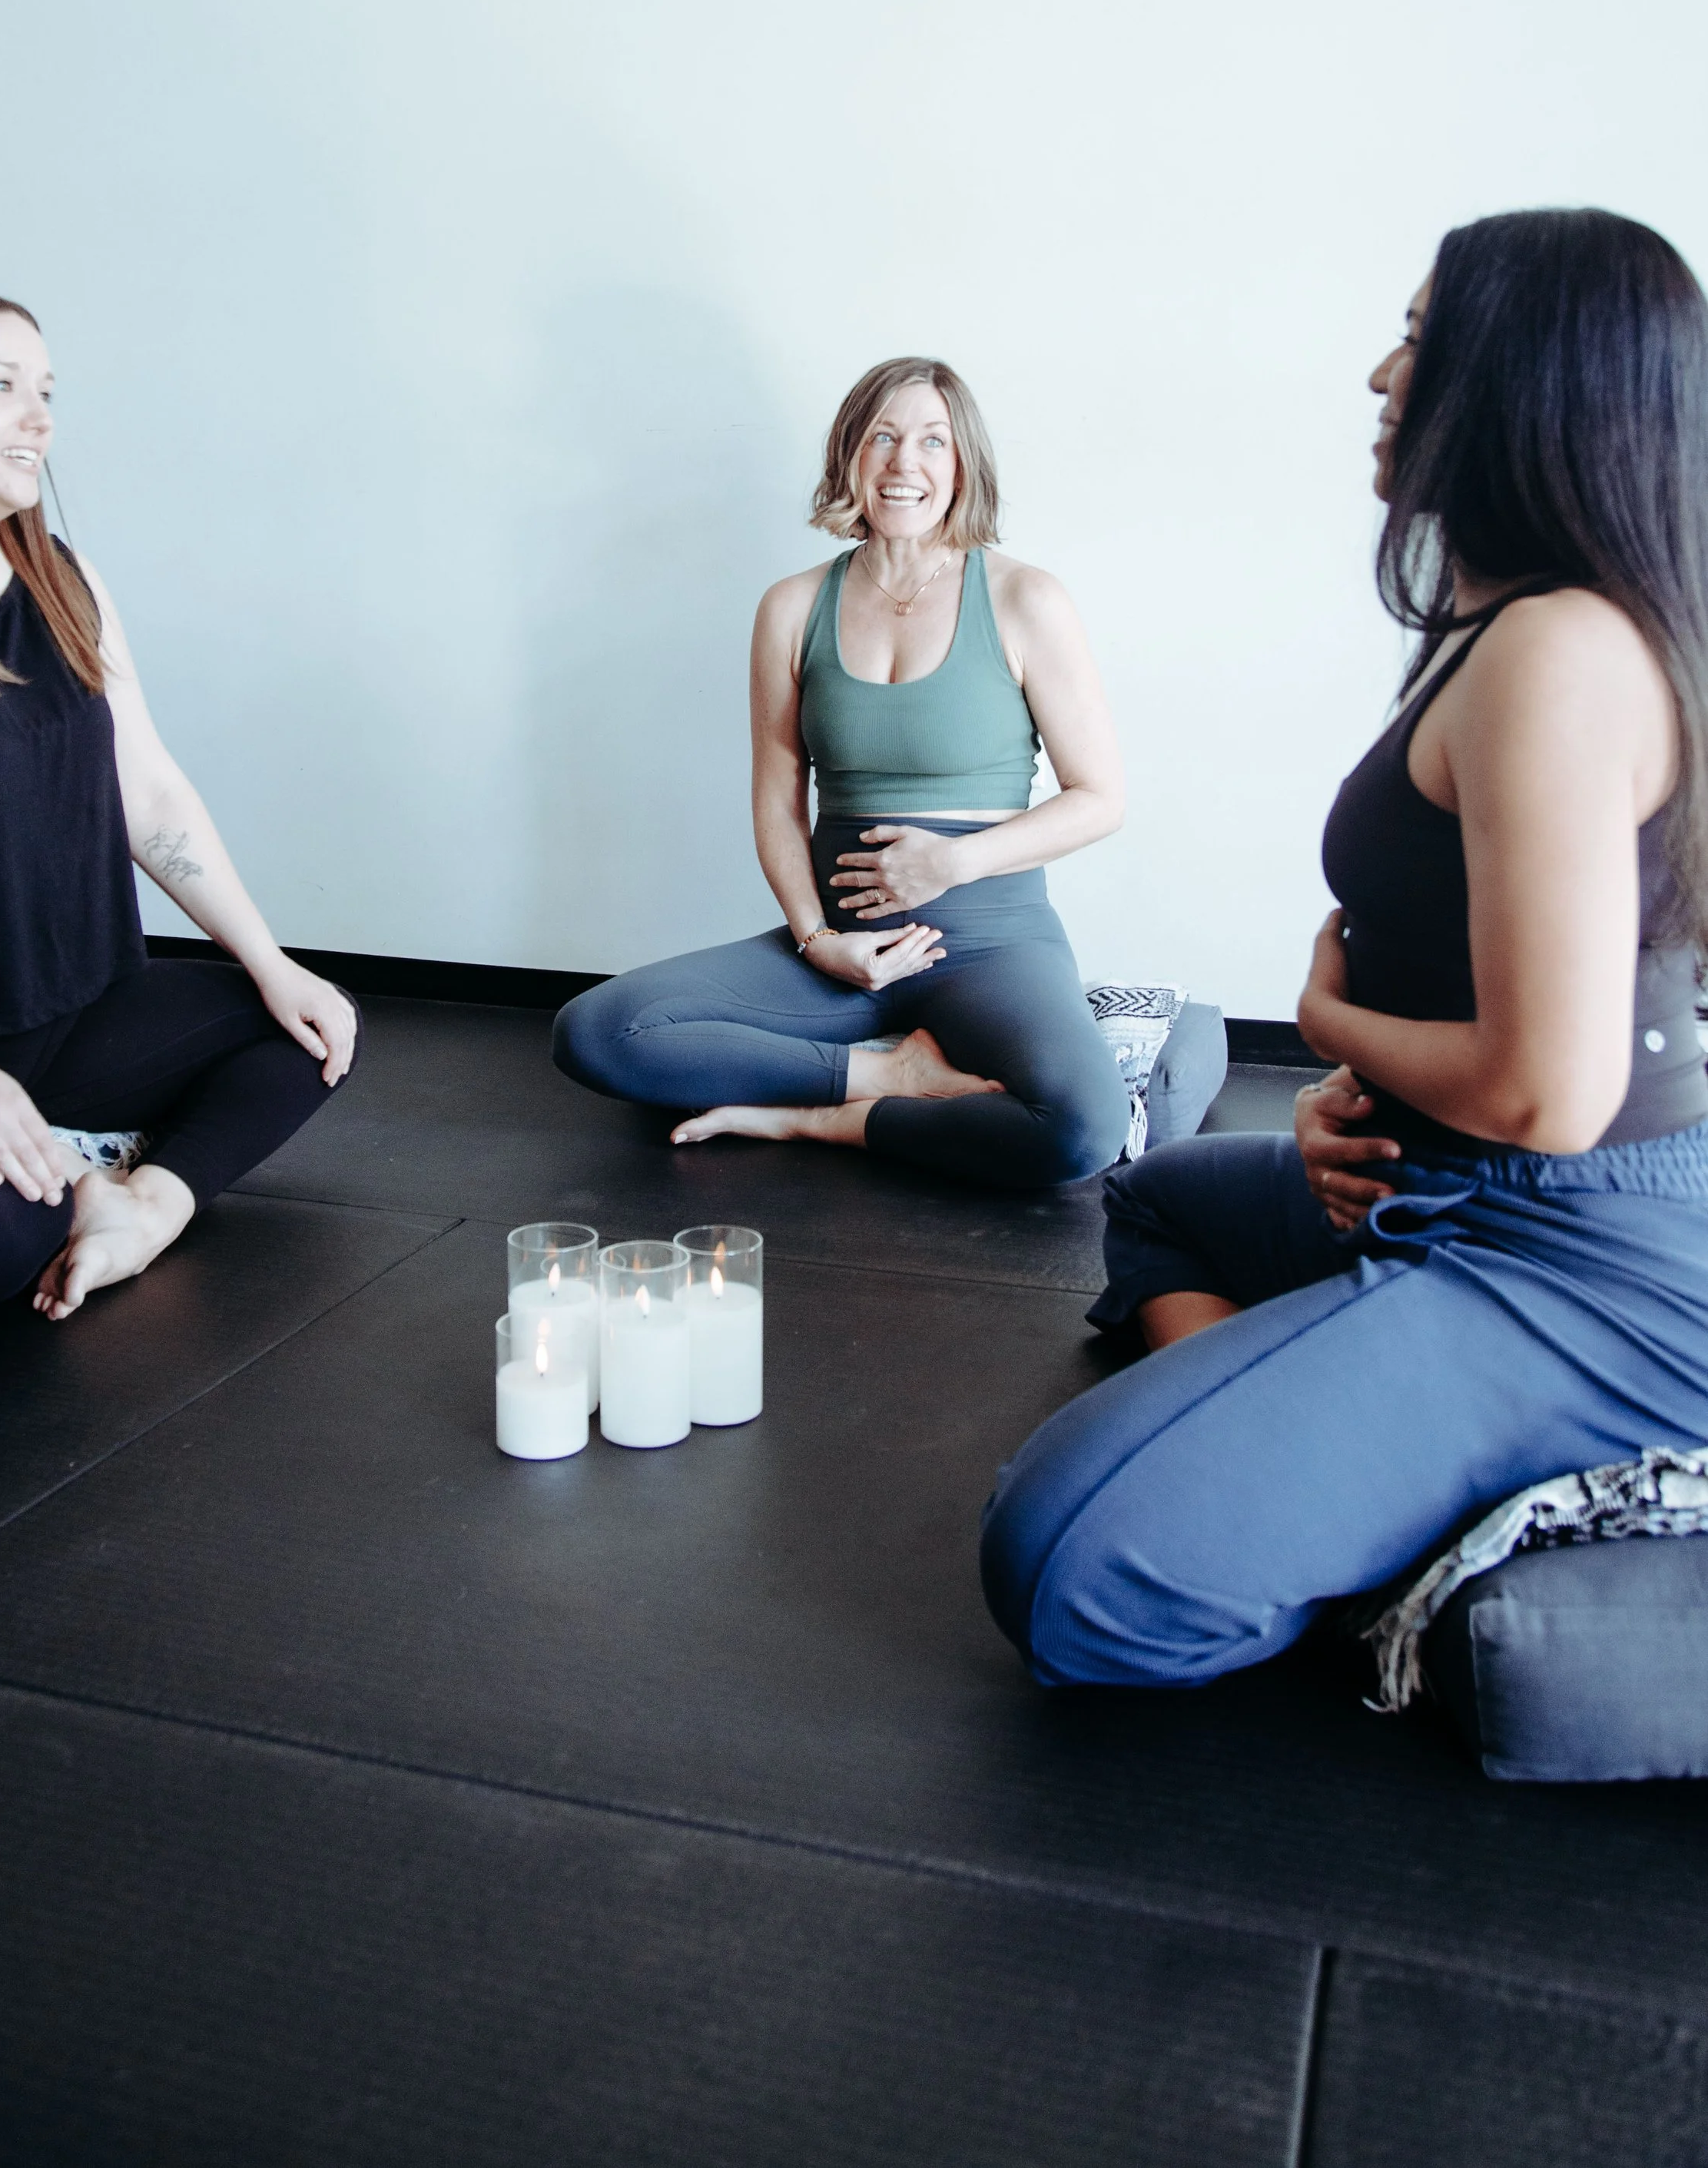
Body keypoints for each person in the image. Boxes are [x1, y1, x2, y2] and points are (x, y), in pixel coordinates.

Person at [980, 208, 1708, 1687]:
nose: (1383, 375)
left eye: (1421, 340)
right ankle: (1335, 1435)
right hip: (1420, 1175)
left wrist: (1331, 1024)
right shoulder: (1502, 625)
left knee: (1060, 1565)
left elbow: (1550, 1094)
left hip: (1572, 1248)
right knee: (1158, 1201)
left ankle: (1469, 1531)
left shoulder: (1565, 650)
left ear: (1526, 376)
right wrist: (1353, 1100)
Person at [0, 284, 359, 1325]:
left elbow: (149, 791)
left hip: (64, 1014)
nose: (39, 418)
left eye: (46, 391)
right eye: (3, 385)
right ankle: (29, 1180)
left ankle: (139, 1207)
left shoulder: (64, 577)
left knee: (314, 1030)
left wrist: (269, 959)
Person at [552, 356, 1133, 1189]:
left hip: (989, 946)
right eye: (882, 438)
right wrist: (818, 941)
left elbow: (1100, 798)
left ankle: (821, 1120)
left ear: (963, 462)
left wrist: (953, 861)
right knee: (597, 1031)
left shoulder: (1024, 600)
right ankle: (887, 1075)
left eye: (932, 441)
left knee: (1083, 1128)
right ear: (850, 455)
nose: (904, 463)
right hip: (844, 946)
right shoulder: (793, 607)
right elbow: (777, 801)